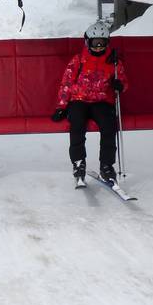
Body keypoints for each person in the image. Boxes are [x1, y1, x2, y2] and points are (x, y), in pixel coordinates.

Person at [52, 20, 128, 183]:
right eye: (95, 43)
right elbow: (67, 83)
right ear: (87, 42)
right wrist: (61, 106)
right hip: (78, 100)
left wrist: (119, 85)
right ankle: (79, 162)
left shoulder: (114, 62)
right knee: (77, 123)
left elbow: (123, 82)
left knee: (109, 125)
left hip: (101, 100)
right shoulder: (78, 60)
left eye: (102, 43)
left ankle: (106, 165)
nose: (98, 47)